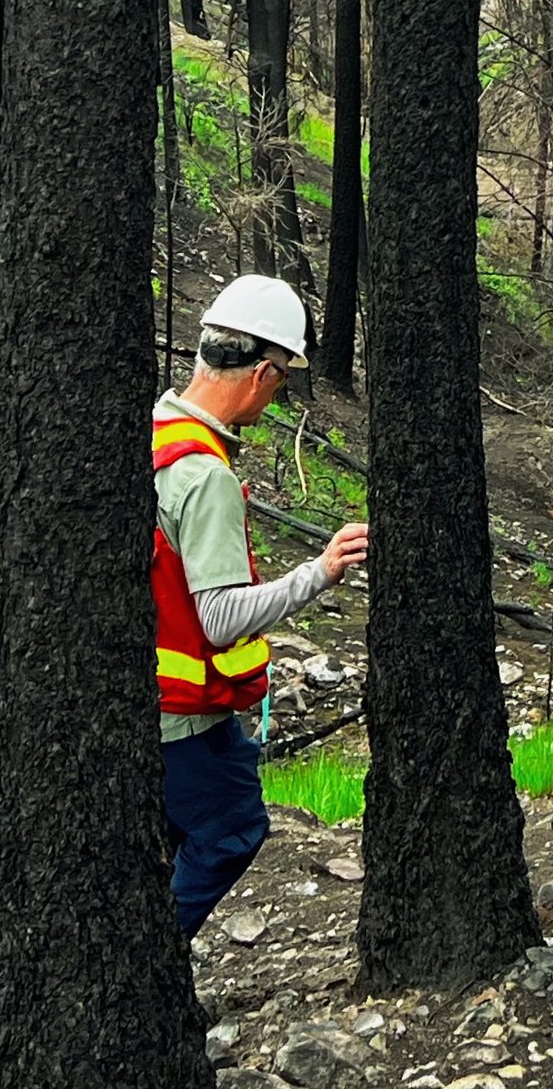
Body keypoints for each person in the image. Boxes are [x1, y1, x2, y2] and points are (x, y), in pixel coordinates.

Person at [153, 275, 368, 936]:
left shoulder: (151, 436)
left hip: (147, 705)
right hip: (185, 719)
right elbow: (218, 618)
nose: (274, 396)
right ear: (262, 373)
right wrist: (321, 571)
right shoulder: (205, 476)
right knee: (233, 827)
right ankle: (149, 968)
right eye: (279, 380)